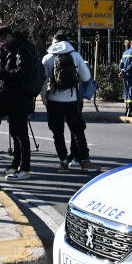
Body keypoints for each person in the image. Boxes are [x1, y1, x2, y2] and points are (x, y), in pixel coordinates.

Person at [42, 32, 99, 174]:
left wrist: (45, 100)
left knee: (57, 133)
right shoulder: (75, 55)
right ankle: (85, 162)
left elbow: (43, 82)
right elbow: (86, 77)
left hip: (54, 101)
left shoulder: (48, 57)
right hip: (72, 100)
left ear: (55, 42)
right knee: (78, 131)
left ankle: (62, 163)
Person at [0, 26, 38, 180]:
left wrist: (2, 72)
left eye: (0, 41)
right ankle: (15, 165)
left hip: (20, 98)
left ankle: (24, 168)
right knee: (14, 133)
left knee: (21, 135)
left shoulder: (22, 49)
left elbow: (21, 73)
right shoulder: (12, 49)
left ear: (7, 37)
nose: (0, 45)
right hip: (12, 98)